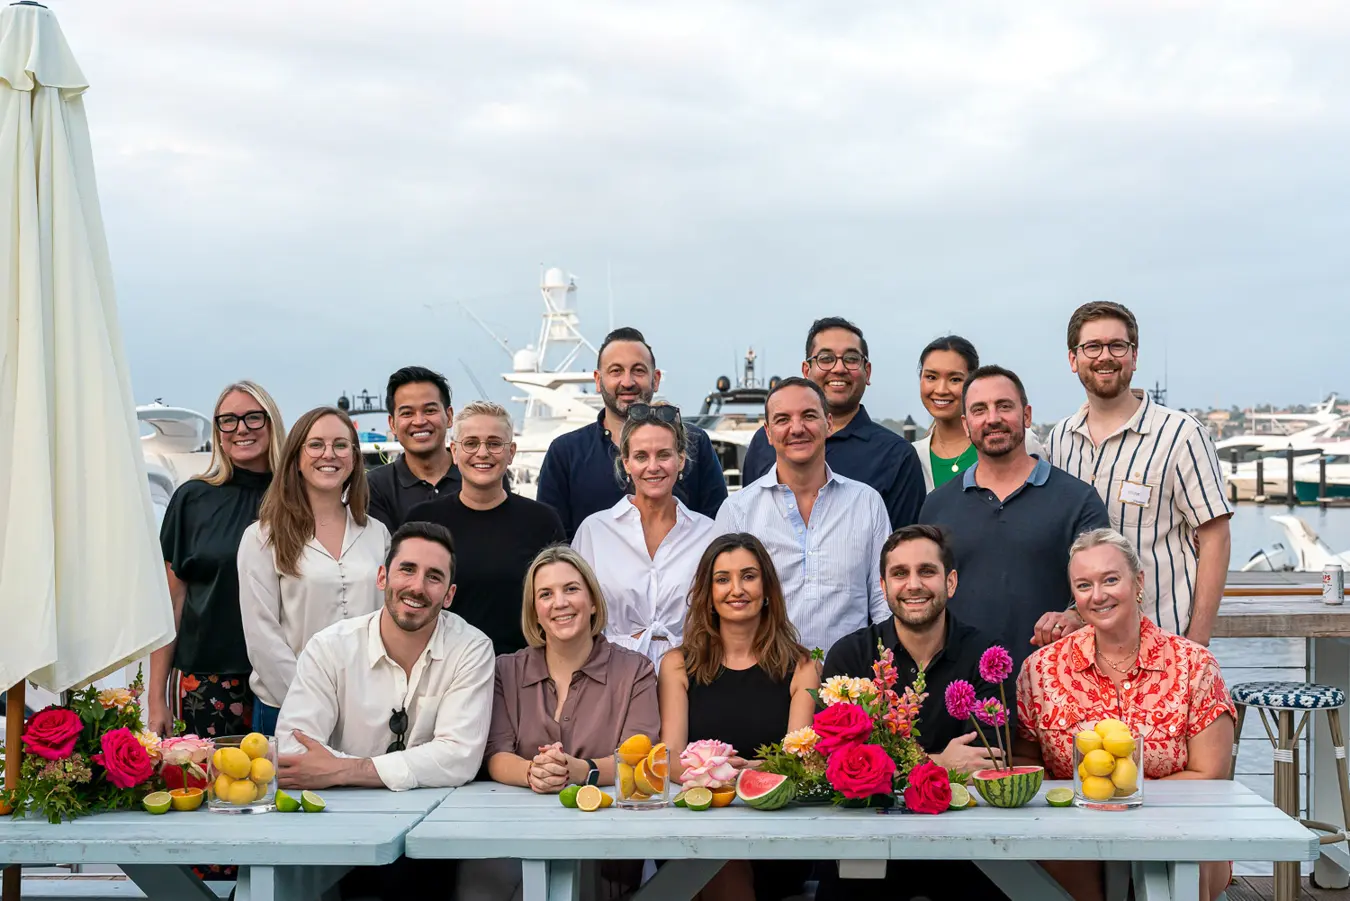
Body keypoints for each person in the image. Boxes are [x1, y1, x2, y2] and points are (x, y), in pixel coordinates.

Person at [276, 520, 492, 901]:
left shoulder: (471, 649)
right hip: (333, 827)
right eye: (407, 569)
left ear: (449, 595)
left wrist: (343, 770)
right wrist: (407, 768)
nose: (417, 587)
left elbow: (459, 757)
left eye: (434, 577)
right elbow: (293, 751)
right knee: (265, 886)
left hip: (431, 836)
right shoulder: (330, 647)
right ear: (382, 577)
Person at [1016, 528, 1236, 901]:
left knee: (1184, 860)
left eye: (1110, 580)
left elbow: (1210, 775)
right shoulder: (1040, 669)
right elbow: (1026, 760)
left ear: (1138, 582)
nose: (1098, 595)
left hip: (1181, 825)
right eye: (1084, 585)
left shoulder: (1194, 665)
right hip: (1074, 833)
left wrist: (1126, 798)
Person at [818, 528, 1009, 901]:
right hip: (867, 841)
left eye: (927, 571)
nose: (914, 584)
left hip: (966, 843)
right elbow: (836, 767)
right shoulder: (850, 656)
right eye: (900, 573)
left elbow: (988, 760)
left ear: (950, 582)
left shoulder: (985, 654)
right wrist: (941, 762)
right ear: (884, 586)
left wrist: (880, 768)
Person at [467, 546, 657, 901]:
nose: (560, 602)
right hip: (515, 836)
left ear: (593, 601)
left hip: (606, 842)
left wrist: (581, 770)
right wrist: (532, 772)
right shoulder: (506, 670)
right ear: (534, 612)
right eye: (546, 594)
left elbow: (638, 759)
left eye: (571, 589)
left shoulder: (636, 671)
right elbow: (495, 754)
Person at [1045, 302, 1233, 644]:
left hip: (1163, 643)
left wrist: (1197, 640)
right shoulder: (1061, 439)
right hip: (1081, 648)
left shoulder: (1181, 436)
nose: (1105, 356)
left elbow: (1215, 537)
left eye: (1117, 346)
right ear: (1073, 359)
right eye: (1092, 347)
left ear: (1134, 356)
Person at [919, 365, 1110, 676]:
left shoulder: (1078, 500)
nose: (992, 418)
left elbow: (1107, 585)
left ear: (1027, 415)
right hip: (961, 684)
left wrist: (1076, 615)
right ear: (966, 425)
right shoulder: (937, 506)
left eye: (1004, 406)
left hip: (1055, 679)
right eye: (979, 410)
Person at [659, 533, 818, 901]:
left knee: (724, 866)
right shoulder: (678, 665)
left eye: (748, 576)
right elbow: (669, 758)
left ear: (767, 589)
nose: (736, 589)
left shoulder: (802, 666)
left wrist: (741, 773)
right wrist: (720, 774)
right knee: (718, 859)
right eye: (722, 579)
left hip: (776, 829)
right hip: (699, 822)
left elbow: (798, 762)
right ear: (708, 594)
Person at [238, 407, 390, 736]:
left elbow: (386, 620)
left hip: (366, 709)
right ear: (296, 457)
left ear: (354, 458)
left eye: (341, 445)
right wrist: (310, 701)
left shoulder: (377, 534)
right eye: (316, 444)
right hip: (288, 709)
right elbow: (263, 637)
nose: (329, 454)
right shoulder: (262, 538)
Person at [150, 380, 286, 740]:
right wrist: (155, 697)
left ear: (272, 422)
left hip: (287, 675)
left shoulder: (297, 499)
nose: (241, 429)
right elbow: (171, 602)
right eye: (228, 420)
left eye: (253, 417)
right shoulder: (192, 499)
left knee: (288, 775)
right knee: (210, 776)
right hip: (205, 681)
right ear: (218, 431)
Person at [715, 377, 890, 656]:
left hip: (851, 675)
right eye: (783, 419)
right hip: (766, 672)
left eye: (809, 416)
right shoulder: (737, 510)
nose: (797, 428)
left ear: (828, 424)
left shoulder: (866, 503)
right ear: (768, 432)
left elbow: (883, 603)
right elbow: (719, 607)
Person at [406, 401, 565, 655]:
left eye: (494, 443)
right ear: (454, 452)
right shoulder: (423, 520)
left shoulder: (542, 521)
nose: (482, 453)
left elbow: (558, 601)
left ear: (511, 452)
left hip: (523, 667)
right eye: (470, 443)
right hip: (442, 665)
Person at [537, 327, 727, 538]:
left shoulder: (695, 443)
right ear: (598, 380)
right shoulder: (565, 453)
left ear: (656, 379)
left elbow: (718, 529)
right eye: (616, 371)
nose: (627, 382)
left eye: (638, 371)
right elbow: (552, 541)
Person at [572, 403, 721, 670]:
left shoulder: (708, 533)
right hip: (611, 675)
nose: (653, 467)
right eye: (641, 456)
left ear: (681, 460)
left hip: (692, 674)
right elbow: (577, 613)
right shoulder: (594, 531)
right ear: (626, 463)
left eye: (664, 455)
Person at [740, 317, 924, 528]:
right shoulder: (765, 443)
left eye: (851, 359)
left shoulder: (897, 456)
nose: (839, 368)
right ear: (806, 371)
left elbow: (902, 543)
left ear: (867, 372)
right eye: (826, 359)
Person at [912, 336, 1044, 492]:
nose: (941, 390)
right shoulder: (913, 456)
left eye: (955, 379)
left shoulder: (1020, 441)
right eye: (931, 377)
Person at [367, 366, 465, 531]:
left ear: (449, 417)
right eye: (407, 413)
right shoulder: (375, 487)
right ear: (392, 424)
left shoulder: (477, 475)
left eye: (430, 410)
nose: (419, 421)